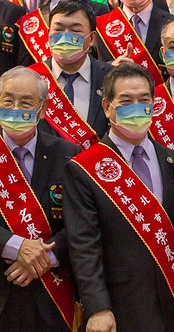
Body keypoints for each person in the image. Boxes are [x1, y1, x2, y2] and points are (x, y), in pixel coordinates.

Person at [64, 62, 174, 332]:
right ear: (107, 107)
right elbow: (84, 245)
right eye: (126, 101)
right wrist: (98, 307)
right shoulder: (85, 169)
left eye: (144, 100)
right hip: (121, 305)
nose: (136, 108)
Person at [0, 66, 81, 332]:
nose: (15, 109)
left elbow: (81, 222)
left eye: (25, 102)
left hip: (52, 296)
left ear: (43, 109)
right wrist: (15, 246)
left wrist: (44, 258)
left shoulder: (68, 153)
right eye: (7, 100)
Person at [39, 1, 112, 140]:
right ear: (48, 34)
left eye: (75, 30)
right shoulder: (33, 78)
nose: (65, 37)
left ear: (92, 38)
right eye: (58, 30)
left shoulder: (111, 77)